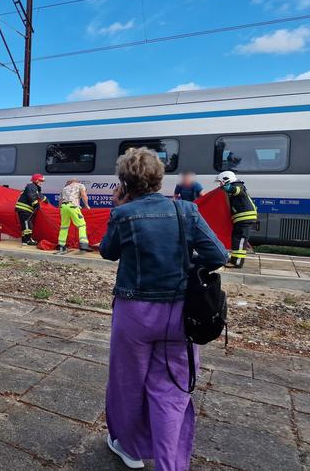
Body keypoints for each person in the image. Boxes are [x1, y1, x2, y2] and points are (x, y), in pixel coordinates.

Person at [100, 148, 228, 471]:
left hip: (134, 315)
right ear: (159, 178)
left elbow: (107, 252)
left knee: (127, 384)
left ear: (124, 183)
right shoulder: (186, 211)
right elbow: (218, 255)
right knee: (171, 391)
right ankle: (170, 464)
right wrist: (188, 266)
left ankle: (129, 449)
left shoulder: (123, 214)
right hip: (179, 315)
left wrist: (119, 208)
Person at [215, 171, 257, 268]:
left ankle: (237, 262)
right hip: (241, 218)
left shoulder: (238, 185)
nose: (220, 184)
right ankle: (234, 259)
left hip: (245, 217)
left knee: (240, 240)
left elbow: (238, 191)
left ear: (226, 180)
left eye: (221, 182)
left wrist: (229, 188)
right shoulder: (234, 187)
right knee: (236, 239)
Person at [57, 179, 91, 253]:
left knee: (64, 226)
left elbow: (60, 200)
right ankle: (83, 244)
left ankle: (61, 245)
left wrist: (60, 209)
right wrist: (87, 205)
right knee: (81, 225)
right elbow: (83, 195)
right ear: (77, 181)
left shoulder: (65, 188)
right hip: (73, 206)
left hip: (64, 207)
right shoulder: (80, 185)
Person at [15, 174, 47, 246]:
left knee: (25, 224)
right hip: (24, 209)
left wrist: (45, 199)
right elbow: (31, 196)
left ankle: (25, 240)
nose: (41, 183)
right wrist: (36, 204)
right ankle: (28, 240)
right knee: (27, 225)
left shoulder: (34, 187)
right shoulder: (31, 186)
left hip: (24, 209)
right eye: (40, 181)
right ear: (36, 180)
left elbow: (38, 195)